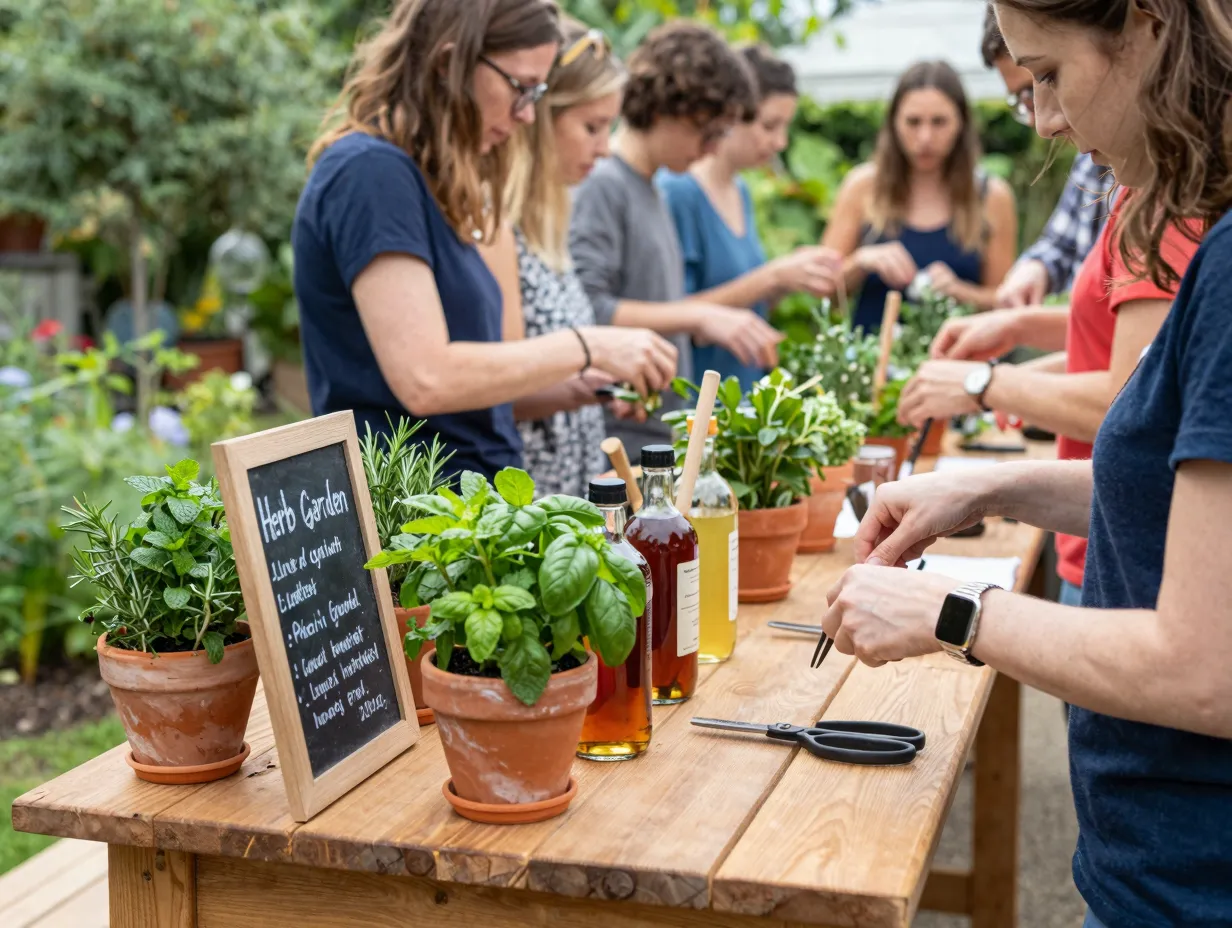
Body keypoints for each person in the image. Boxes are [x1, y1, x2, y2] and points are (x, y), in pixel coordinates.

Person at [821, 2, 1232, 926]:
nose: (1043, 118)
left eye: (1047, 74)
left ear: (1150, 26)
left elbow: (1206, 666)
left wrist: (952, 609)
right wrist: (990, 483)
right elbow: (1172, 500)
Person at [292, 0, 676, 481]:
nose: (527, 117)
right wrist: (589, 344)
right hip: (414, 523)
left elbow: (473, 396)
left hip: (471, 512)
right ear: (449, 64)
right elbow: (426, 379)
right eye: (520, 88)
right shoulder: (370, 173)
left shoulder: (428, 182)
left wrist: (579, 387)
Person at [898, 195, 1199, 605]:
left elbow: (1130, 406)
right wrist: (1019, 333)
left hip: (1125, 556)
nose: (1045, 127)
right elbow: (1118, 341)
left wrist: (986, 384)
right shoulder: (1140, 195)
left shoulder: (1164, 208)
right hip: (1097, 536)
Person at [570, 21, 777, 456]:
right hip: (620, 440)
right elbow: (589, 309)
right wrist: (698, 316)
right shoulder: (604, 185)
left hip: (656, 436)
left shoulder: (653, 187)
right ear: (667, 109)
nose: (714, 148)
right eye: (709, 131)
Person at [480, 22, 640, 497]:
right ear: (539, 118)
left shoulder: (551, 221)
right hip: (528, 496)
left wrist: (591, 386)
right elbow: (495, 390)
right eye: (591, 127)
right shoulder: (495, 223)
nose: (605, 148)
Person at [657, 45, 841, 391]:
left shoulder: (739, 189)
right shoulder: (679, 191)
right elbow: (671, 313)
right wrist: (770, 277)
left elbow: (743, 305)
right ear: (731, 116)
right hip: (693, 406)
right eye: (769, 125)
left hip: (740, 396)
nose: (780, 142)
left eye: (785, 127)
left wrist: (786, 280)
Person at [822, 61, 1018, 331]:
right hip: (875, 363)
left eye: (939, 122)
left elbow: (1006, 300)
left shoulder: (991, 196)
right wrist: (861, 261)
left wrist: (960, 292)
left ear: (961, 124)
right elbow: (822, 291)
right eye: (913, 122)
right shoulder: (863, 187)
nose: (925, 137)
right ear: (894, 124)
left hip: (958, 363)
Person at [980, 3, 1115, 307]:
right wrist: (1035, 267)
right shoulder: (1092, 160)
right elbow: (1061, 244)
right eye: (1023, 98)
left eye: (1049, 76)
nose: (1040, 122)